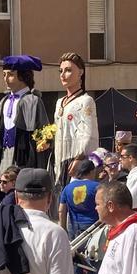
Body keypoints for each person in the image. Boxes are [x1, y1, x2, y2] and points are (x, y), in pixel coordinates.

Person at [0, 55, 49, 176]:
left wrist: (44, 142)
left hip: (24, 160)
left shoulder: (33, 101)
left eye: (10, 74)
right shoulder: (3, 101)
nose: (5, 79)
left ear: (23, 76)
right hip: (3, 158)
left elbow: (44, 131)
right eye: (4, 75)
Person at [51, 52, 99, 190]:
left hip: (75, 157)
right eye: (61, 71)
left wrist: (79, 158)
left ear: (81, 73)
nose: (63, 74)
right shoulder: (59, 102)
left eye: (68, 70)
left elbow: (90, 133)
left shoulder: (86, 100)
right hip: (59, 158)